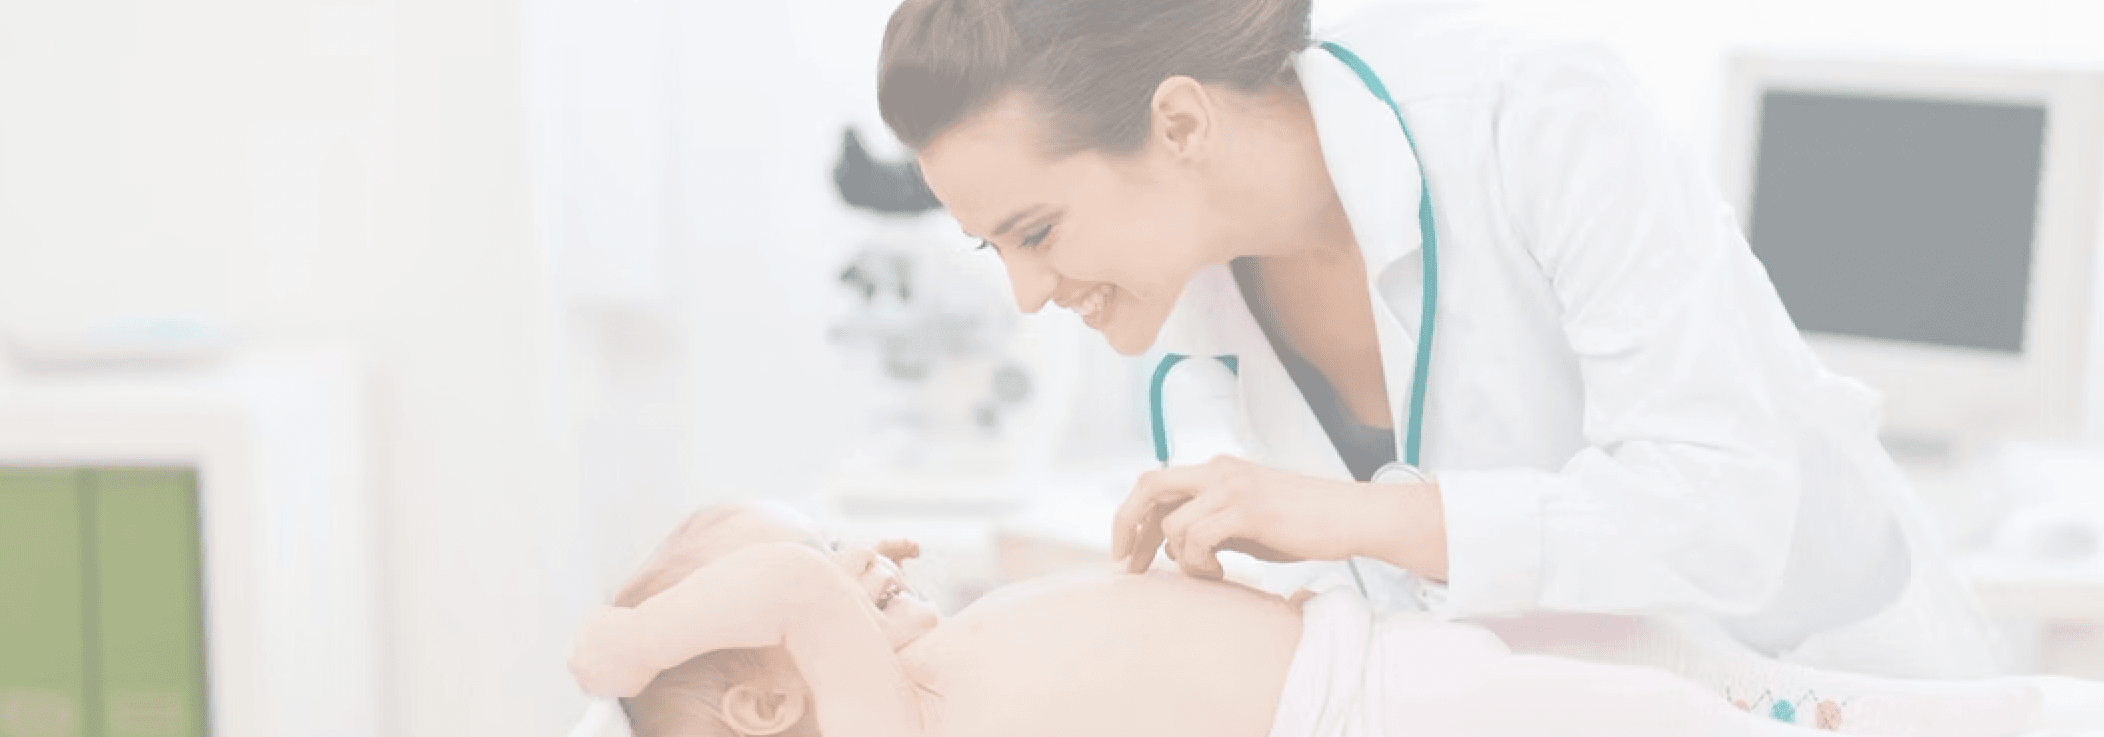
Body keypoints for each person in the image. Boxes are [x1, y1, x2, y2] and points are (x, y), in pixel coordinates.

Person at [875, 0, 2000, 676]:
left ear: (1178, 122)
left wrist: (1366, 515)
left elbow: (1723, 511)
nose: (1026, 293)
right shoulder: (1185, 320)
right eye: (995, 249)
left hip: (1837, 672)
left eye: (1035, 230)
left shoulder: (1534, 115)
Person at [568, 503, 2092, 737]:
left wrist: (1206, 589)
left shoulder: (941, 661)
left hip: (1384, 657)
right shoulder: (887, 728)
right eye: (825, 565)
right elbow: (778, 596)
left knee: (1692, 678)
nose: (859, 559)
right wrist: (623, 652)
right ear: (767, 705)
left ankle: (1833, 707)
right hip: (1385, 711)